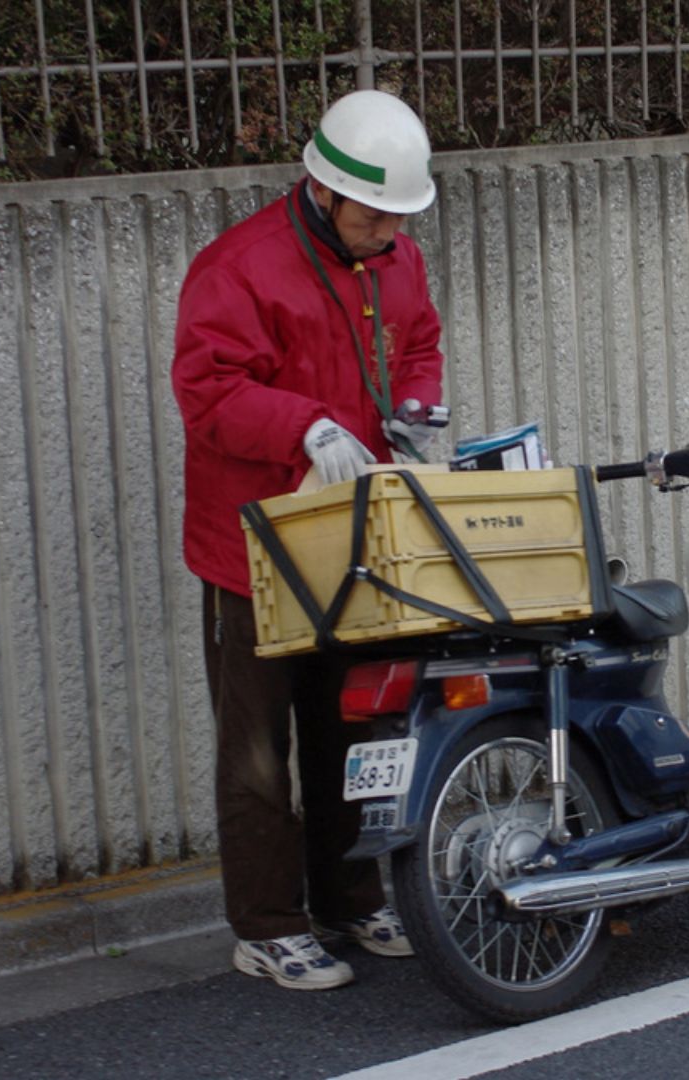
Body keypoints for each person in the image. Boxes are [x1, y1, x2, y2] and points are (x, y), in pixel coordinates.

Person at [170, 89, 447, 991]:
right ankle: (266, 925)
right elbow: (208, 392)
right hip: (256, 542)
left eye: (401, 217)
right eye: (376, 214)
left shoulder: (394, 259)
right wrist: (306, 427)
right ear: (324, 190)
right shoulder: (240, 266)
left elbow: (419, 345)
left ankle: (352, 900)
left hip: (356, 532)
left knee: (351, 726)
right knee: (258, 749)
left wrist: (413, 406)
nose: (389, 232)